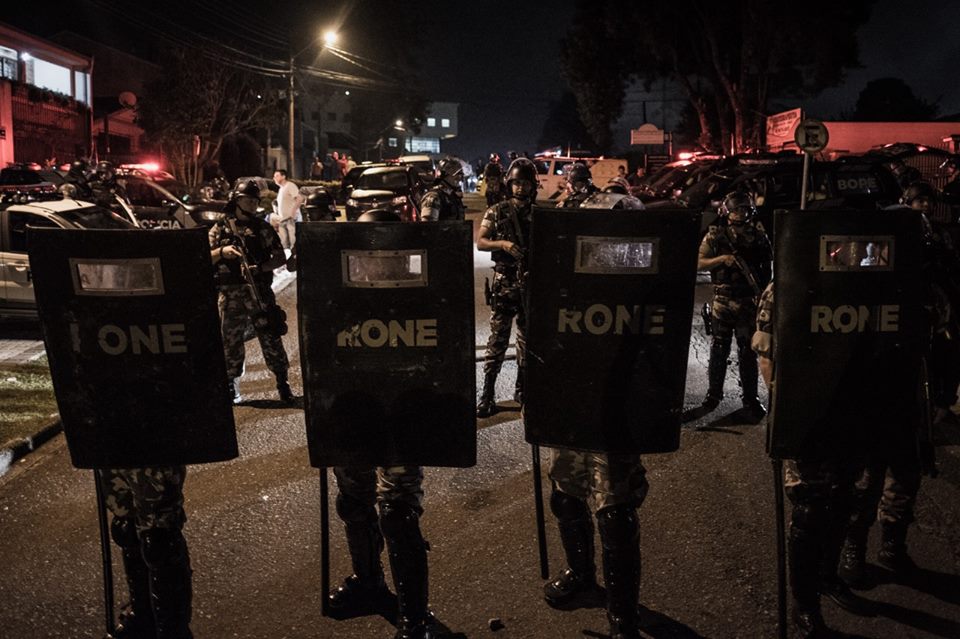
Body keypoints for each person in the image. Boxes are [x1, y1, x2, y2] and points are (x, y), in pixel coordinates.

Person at [837, 181, 956, 590]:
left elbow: (944, 343)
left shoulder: (928, 292)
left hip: (910, 394)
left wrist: (943, 396)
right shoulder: (859, 286)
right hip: (869, 394)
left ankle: (892, 545)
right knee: (865, 479)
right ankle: (853, 547)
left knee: (906, 475)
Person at [540, 199, 650, 639]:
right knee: (565, 494)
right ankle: (582, 575)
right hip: (574, 404)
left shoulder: (643, 280)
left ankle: (623, 614)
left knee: (615, 511)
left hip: (616, 409)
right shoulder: (569, 273)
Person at [326, 207, 438, 639]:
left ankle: (414, 616)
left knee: (397, 512)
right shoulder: (342, 293)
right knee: (353, 502)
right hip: (355, 412)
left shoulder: (419, 292)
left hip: (401, 418)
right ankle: (369, 581)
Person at [209, 179, 292, 404]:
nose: (253, 204)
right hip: (230, 293)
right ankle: (231, 384)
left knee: (271, 335)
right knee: (230, 339)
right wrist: (222, 252)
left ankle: (282, 381)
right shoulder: (221, 227)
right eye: (248, 200)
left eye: (256, 200)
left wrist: (260, 267)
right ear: (237, 200)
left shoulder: (261, 228)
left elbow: (279, 257)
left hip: (259, 292)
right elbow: (205, 256)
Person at [697, 191, 771, 421]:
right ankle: (713, 396)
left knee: (747, 352)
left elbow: (767, 267)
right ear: (727, 211)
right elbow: (699, 262)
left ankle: (750, 398)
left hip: (748, 301)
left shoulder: (758, 236)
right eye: (737, 209)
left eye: (745, 210)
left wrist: (764, 294)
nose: (741, 213)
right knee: (719, 349)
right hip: (722, 300)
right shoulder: (716, 236)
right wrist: (722, 260)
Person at [100, 467, 194, 638]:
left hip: (151, 450)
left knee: (159, 540)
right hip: (112, 446)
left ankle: (172, 632)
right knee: (126, 526)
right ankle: (143, 619)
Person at [475, 158, 537, 417]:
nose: (520, 188)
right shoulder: (497, 211)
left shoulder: (540, 213)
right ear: (509, 184)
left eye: (525, 183)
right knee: (497, 341)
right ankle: (487, 394)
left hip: (530, 284)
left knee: (526, 341)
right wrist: (502, 244)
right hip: (504, 283)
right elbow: (481, 241)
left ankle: (521, 391)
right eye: (516, 183)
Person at [273, 169, 303, 251]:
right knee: (284, 244)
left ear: (283, 176)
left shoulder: (290, 186)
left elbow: (299, 199)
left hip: (291, 219)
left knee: (293, 243)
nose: (274, 178)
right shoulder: (281, 189)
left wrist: (293, 212)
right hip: (283, 220)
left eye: (277, 176)